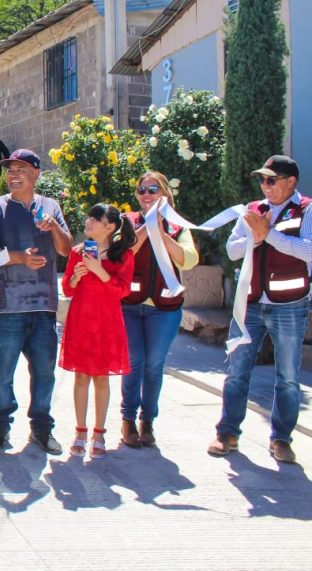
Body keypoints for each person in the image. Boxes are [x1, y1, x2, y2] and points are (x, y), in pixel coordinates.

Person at [208, 155, 311, 465]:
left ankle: (281, 439)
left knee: (288, 377)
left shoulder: (306, 209)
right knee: (237, 371)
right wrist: (254, 237)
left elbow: (308, 250)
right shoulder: (253, 211)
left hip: (290, 304)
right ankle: (227, 433)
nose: (265, 186)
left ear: (290, 182)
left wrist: (271, 236)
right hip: (250, 303)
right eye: (262, 180)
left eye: (271, 180)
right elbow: (231, 250)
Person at [0, 149, 72, 455]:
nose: (13, 174)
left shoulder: (51, 206)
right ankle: (0, 428)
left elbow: (67, 250)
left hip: (44, 308)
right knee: (3, 373)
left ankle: (41, 430)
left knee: (44, 373)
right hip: (6, 308)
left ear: (36, 174)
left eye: (21, 169)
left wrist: (54, 227)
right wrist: (18, 257)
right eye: (10, 169)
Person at [121, 172, 199, 448]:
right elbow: (124, 252)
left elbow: (188, 260)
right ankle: (127, 419)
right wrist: (147, 226)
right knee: (134, 362)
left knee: (154, 366)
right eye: (141, 189)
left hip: (165, 308)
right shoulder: (128, 221)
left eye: (152, 189)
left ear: (165, 193)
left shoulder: (179, 227)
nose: (146, 194)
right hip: (130, 305)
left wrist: (162, 231)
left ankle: (148, 420)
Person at [60, 204, 136, 459]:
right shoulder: (77, 252)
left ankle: (99, 432)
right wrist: (76, 277)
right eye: (89, 217)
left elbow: (122, 291)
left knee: (101, 378)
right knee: (80, 376)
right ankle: (80, 431)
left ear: (110, 227)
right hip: (81, 320)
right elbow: (68, 289)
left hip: (107, 323)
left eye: (96, 219)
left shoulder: (123, 255)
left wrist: (99, 270)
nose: (89, 221)